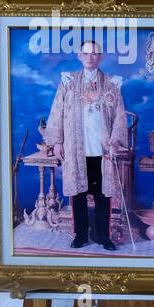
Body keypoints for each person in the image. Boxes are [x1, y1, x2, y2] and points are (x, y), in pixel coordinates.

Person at [43, 40, 128, 250]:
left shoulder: (111, 84)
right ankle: (80, 235)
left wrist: (116, 139)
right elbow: (56, 113)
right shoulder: (68, 83)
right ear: (79, 56)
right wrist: (57, 142)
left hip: (102, 150)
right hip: (75, 149)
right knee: (78, 194)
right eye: (85, 53)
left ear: (100, 57)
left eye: (94, 53)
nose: (89, 57)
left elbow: (119, 115)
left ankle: (103, 236)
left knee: (102, 195)